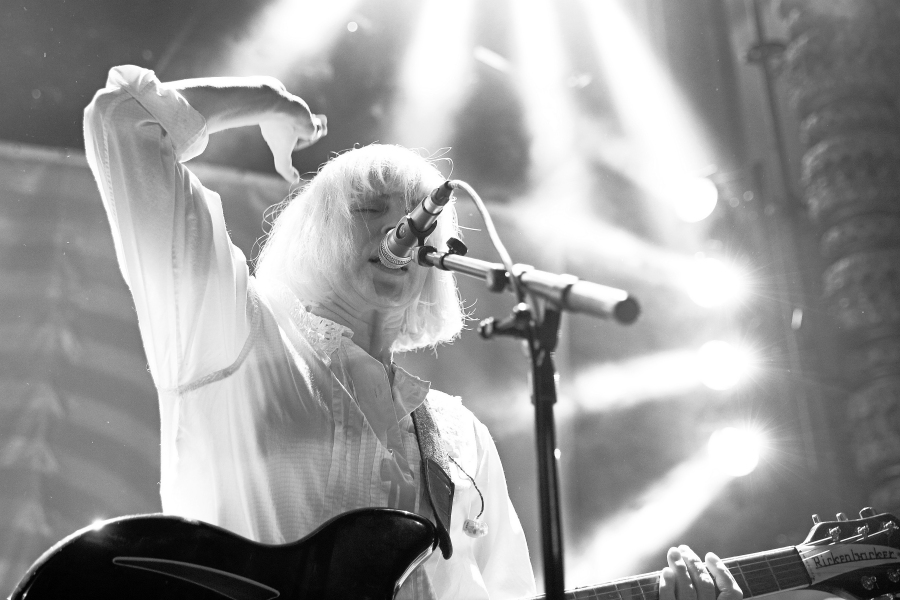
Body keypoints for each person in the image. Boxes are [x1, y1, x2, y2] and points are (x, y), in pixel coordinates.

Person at [83, 65, 744, 600]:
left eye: (426, 222)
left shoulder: (460, 436)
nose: (401, 231)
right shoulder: (237, 334)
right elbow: (122, 122)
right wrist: (263, 99)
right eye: (370, 210)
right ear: (319, 234)